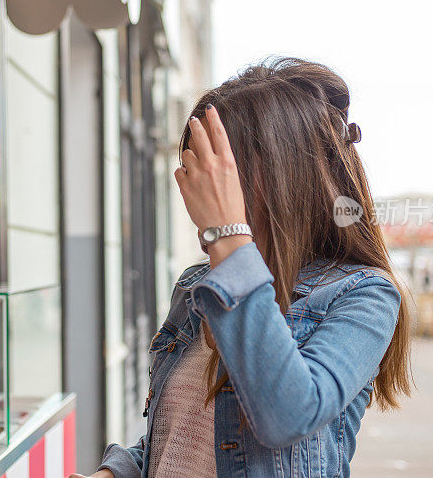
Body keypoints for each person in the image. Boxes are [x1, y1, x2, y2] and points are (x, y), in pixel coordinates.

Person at [71, 57, 413, 478]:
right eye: (192, 169)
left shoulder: (362, 294)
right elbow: (183, 438)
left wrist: (226, 231)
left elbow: (287, 416)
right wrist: (114, 473)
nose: (194, 189)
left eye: (215, 173)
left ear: (278, 177)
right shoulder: (198, 283)